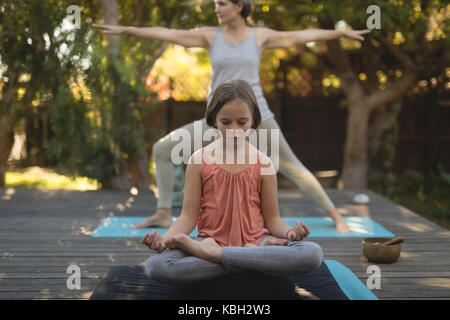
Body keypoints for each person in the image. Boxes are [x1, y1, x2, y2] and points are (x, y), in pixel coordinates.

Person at [93, 0, 370, 232]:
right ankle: (164, 212)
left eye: (221, 3)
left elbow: (301, 35)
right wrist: (126, 29)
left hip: (256, 118)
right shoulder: (210, 36)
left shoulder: (260, 37)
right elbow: (168, 33)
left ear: (239, 6)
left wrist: (339, 34)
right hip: (219, 121)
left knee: (291, 166)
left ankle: (335, 215)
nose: (216, 9)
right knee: (164, 149)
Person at [141, 79, 324, 284]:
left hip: (254, 241)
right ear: (213, 120)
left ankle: (216, 257)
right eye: (226, 122)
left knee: (312, 253)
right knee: (157, 266)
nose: (234, 130)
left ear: (253, 120)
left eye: (242, 122)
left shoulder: (263, 162)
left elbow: (273, 220)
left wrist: (290, 233)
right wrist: (165, 240)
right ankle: (250, 261)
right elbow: (187, 218)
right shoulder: (198, 160)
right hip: (209, 241)